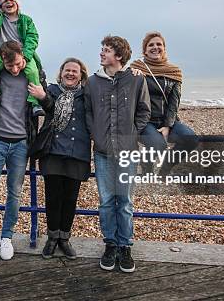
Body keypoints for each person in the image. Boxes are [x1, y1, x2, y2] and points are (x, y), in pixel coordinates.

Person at [84, 35, 150, 273]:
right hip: (102, 152)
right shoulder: (92, 82)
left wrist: (132, 132)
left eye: (107, 50)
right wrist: (96, 133)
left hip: (127, 152)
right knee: (106, 202)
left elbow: (144, 111)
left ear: (119, 56)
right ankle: (110, 244)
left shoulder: (135, 80)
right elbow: (88, 112)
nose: (102, 53)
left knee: (125, 202)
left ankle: (125, 246)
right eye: (102, 49)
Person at [0, 40, 45, 266]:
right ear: (1, 61)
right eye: (9, 66)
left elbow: (49, 100)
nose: (14, 69)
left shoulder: (34, 73)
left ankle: (7, 236)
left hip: (21, 143)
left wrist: (43, 96)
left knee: (14, 193)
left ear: (22, 56)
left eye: (17, 64)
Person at [29, 58, 91, 260]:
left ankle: (65, 238)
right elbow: (47, 107)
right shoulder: (52, 91)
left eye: (75, 71)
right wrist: (42, 97)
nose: (71, 73)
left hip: (77, 153)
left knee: (70, 199)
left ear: (81, 74)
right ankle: (52, 237)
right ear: (61, 72)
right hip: (53, 151)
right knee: (53, 198)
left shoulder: (86, 95)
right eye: (67, 70)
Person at [130, 31, 197, 175]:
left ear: (164, 48)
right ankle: (146, 168)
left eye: (159, 44)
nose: (155, 47)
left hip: (168, 120)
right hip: (145, 121)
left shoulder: (174, 72)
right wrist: (133, 75)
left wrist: (167, 125)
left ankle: (166, 168)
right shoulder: (136, 69)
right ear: (145, 50)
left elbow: (174, 102)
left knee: (191, 139)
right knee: (157, 145)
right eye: (151, 45)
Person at [0, 0, 44, 116]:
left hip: (21, 54)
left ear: (17, 4)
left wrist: (25, 55)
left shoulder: (26, 20)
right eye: (5, 1)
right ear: (1, 6)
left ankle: (35, 102)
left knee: (33, 71)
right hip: (3, 54)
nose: (9, 3)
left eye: (11, 0)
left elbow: (33, 37)